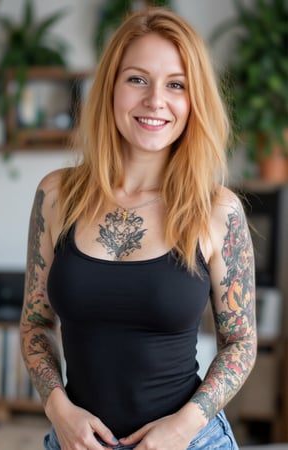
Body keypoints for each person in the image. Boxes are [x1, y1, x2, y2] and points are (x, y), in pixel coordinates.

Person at [20, 6, 257, 450]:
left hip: (190, 443)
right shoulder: (57, 196)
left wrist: (182, 427)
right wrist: (59, 410)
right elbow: (35, 323)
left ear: (194, 100)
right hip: (76, 442)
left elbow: (241, 342)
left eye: (176, 85)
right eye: (137, 79)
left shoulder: (216, 210)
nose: (155, 101)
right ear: (110, 87)